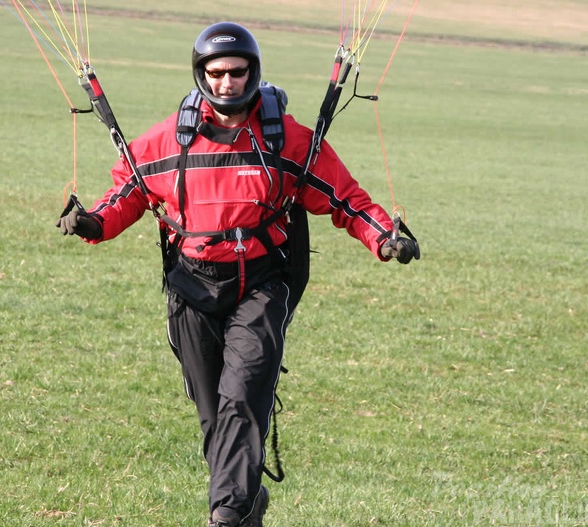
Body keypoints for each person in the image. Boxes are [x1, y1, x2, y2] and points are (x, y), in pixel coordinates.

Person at [56, 21, 419, 527]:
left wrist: (384, 237)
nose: (227, 82)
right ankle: (246, 503)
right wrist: (93, 222)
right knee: (214, 415)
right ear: (201, 74)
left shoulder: (286, 141)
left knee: (243, 397)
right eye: (217, 72)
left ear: (254, 72)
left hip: (262, 285)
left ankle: (226, 515)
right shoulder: (168, 140)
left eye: (237, 72)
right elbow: (128, 194)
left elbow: (345, 199)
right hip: (191, 287)